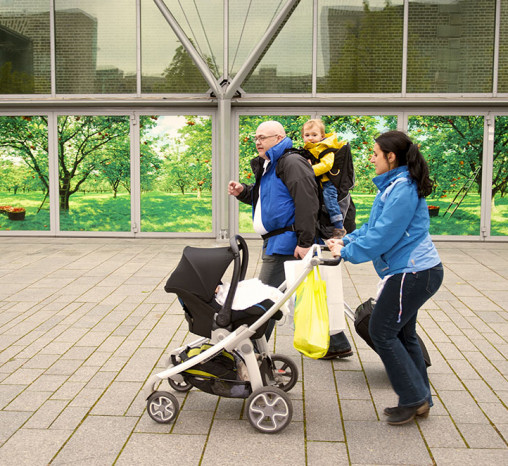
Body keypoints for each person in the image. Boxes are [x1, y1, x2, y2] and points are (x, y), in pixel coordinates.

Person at [328, 130, 443, 425]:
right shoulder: (392, 187)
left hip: (414, 272)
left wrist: (348, 253)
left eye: (376, 154)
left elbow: (384, 235)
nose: (372, 158)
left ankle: (413, 398)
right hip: (412, 271)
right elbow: (371, 227)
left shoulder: (402, 189)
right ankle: (421, 399)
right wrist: (346, 241)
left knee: (381, 330)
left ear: (391, 157)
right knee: (404, 334)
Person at [228, 120, 352, 359]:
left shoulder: (291, 162)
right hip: (282, 241)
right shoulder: (271, 165)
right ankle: (336, 343)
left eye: (263, 137)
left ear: (279, 138)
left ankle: (251, 354)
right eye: (256, 137)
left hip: (287, 244)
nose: (257, 141)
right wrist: (243, 191)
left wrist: (305, 242)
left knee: (264, 299)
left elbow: (307, 202)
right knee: (305, 292)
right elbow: (268, 198)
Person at [302, 119, 347, 239]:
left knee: (330, 202)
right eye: (307, 135)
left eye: (314, 135)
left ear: (322, 136)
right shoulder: (308, 150)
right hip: (316, 183)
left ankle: (339, 227)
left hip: (328, 183)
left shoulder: (326, 148)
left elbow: (327, 165)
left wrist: (309, 171)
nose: (310, 138)